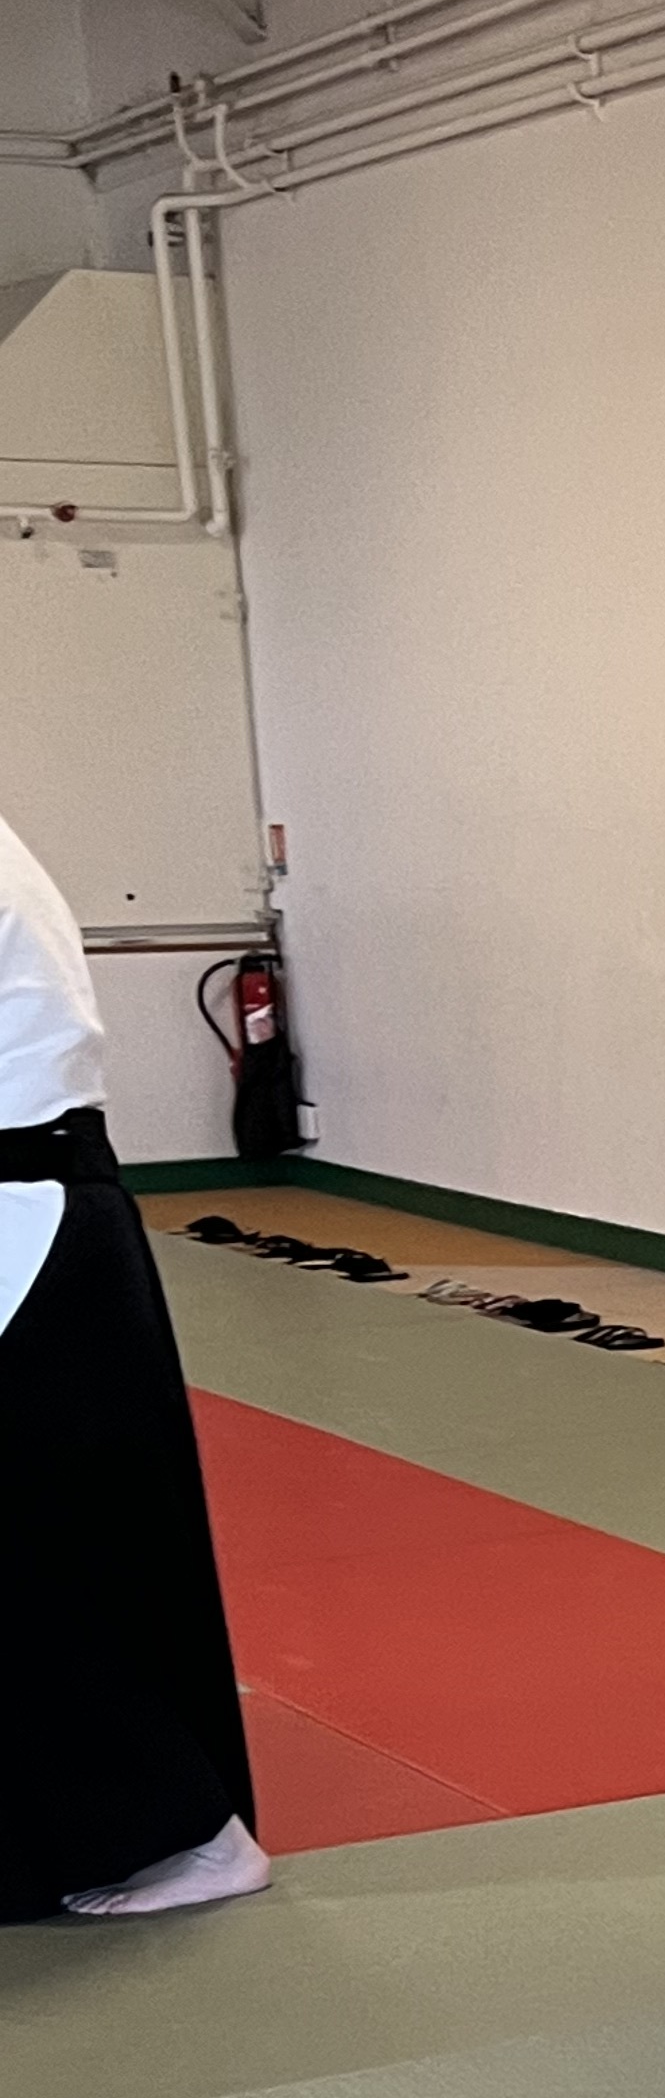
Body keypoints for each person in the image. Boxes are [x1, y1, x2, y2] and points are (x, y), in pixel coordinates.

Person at [1, 811, 268, 1925]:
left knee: (42, 1552)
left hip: (26, 1214)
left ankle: (186, 1834)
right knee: (55, 1539)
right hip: (49, 1203)